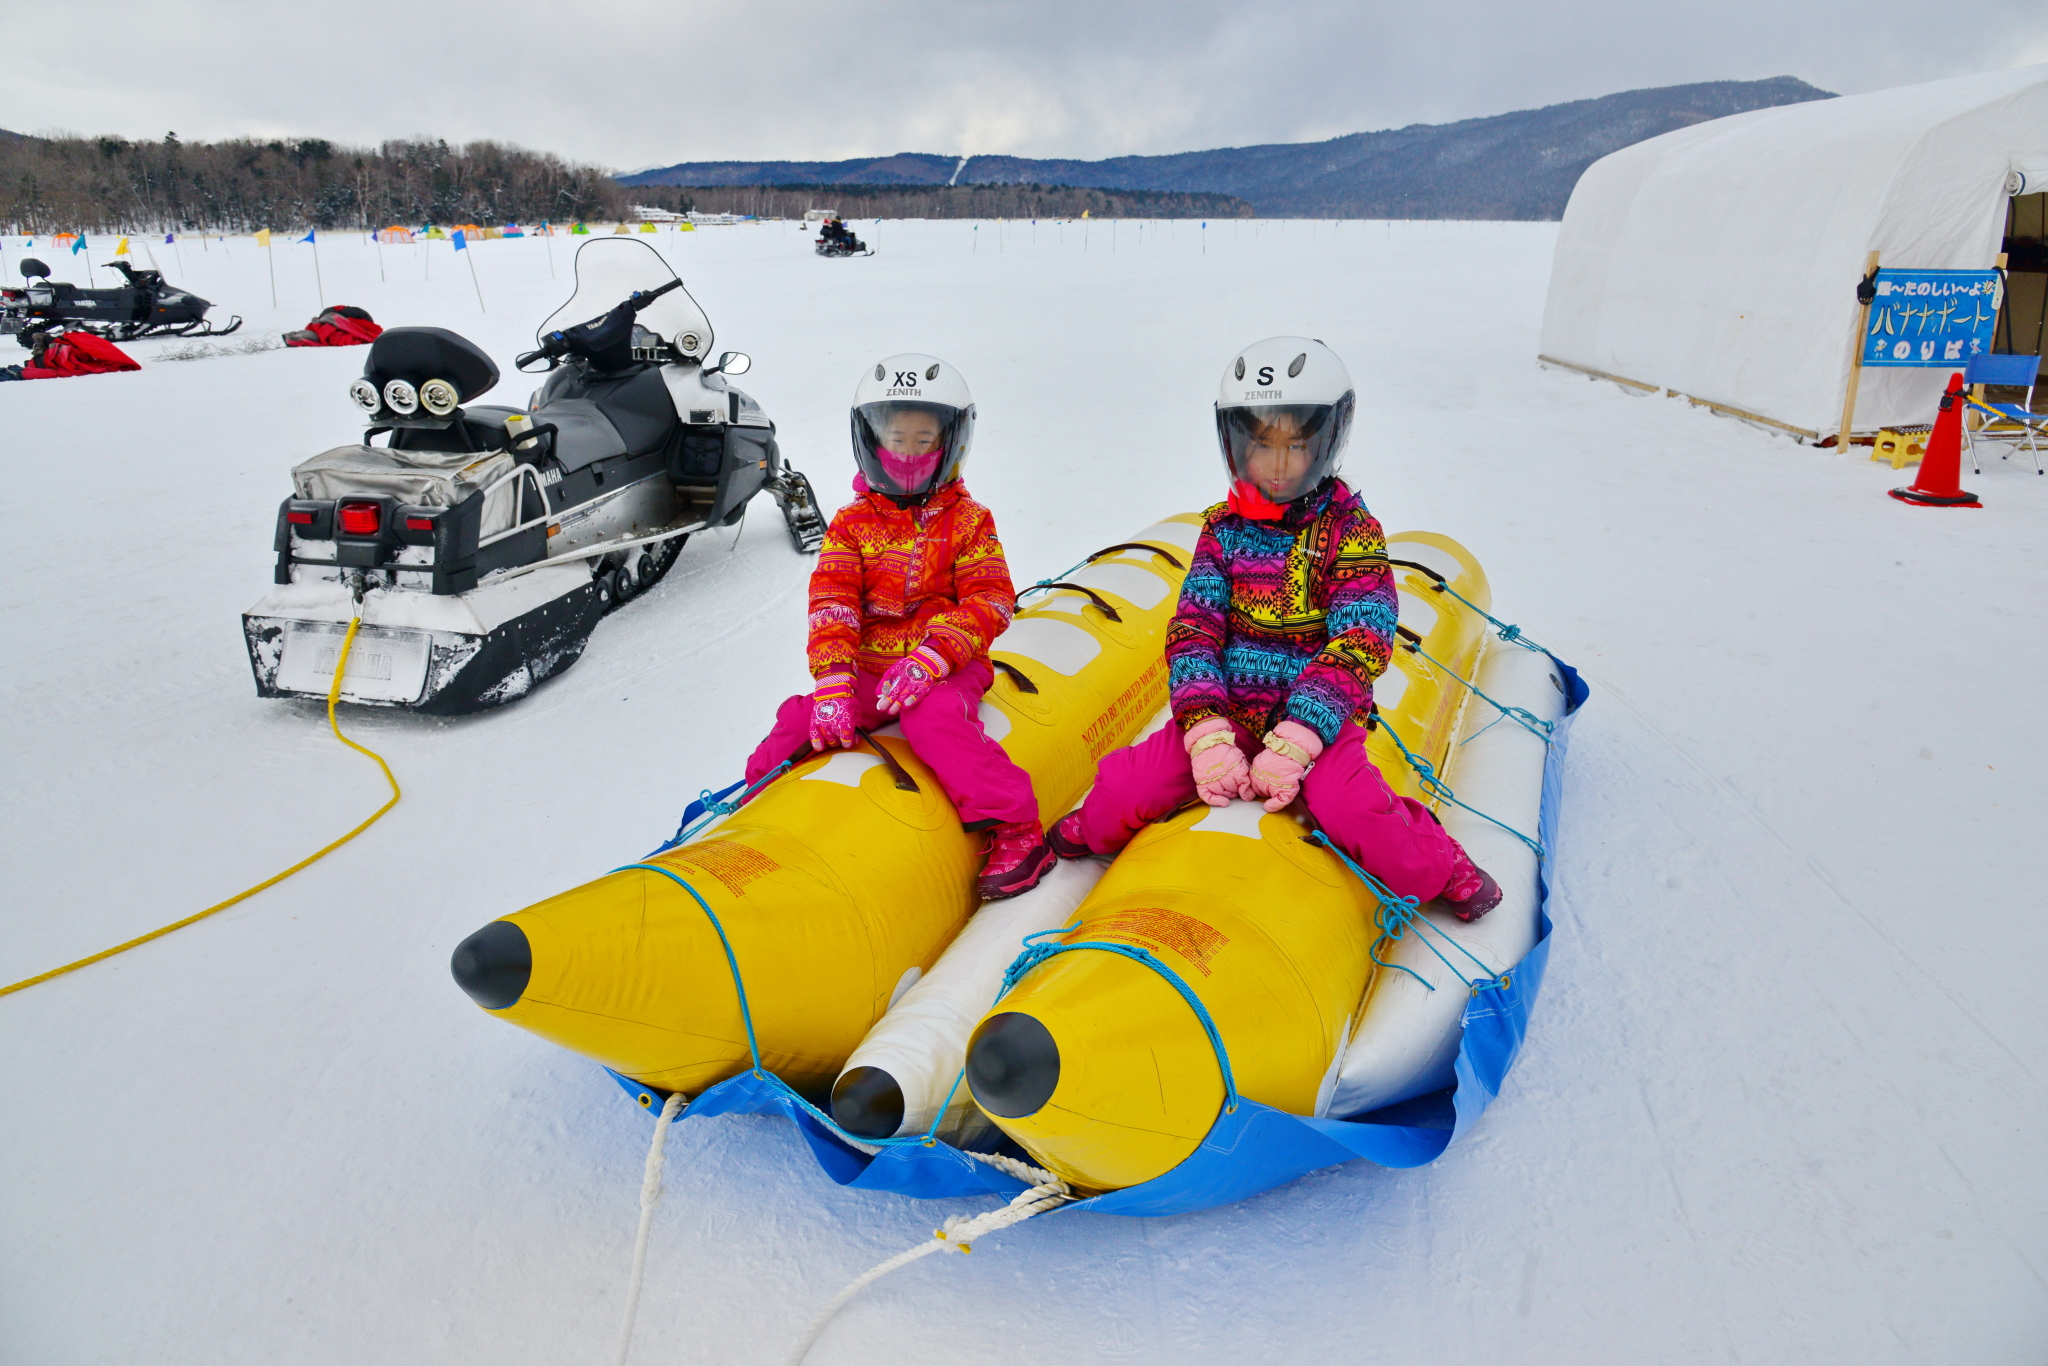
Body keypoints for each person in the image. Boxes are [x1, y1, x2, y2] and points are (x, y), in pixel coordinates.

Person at [1045, 337, 1502, 920]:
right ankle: (1095, 822)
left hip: (1318, 726)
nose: (1278, 462)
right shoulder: (1221, 531)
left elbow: (1362, 638)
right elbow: (1194, 631)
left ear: (1328, 441)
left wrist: (1299, 736)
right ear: (1234, 442)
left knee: (1353, 808)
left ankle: (1444, 864)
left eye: (1297, 444)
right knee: (1126, 789)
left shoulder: (1349, 531)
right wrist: (1207, 729)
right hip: (1230, 713)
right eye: (1261, 444)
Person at [743, 353, 1055, 900]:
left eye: (923, 440)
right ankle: (748, 812)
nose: (908, 454)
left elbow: (991, 597)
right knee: (801, 719)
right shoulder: (851, 523)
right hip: (870, 669)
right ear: (871, 440)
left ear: (950, 444)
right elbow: (833, 603)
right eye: (896, 439)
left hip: (944, 668)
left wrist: (936, 655)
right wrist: (835, 682)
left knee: (932, 721)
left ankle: (1016, 827)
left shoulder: (969, 520)